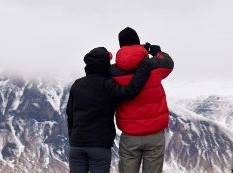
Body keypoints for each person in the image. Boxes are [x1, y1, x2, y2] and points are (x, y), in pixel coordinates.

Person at [65, 47, 160, 173]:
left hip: (77, 145)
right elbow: (129, 91)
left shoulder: (77, 84)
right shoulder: (107, 85)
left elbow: (70, 114)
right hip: (99, 145)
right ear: (104, 64)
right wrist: (144, 67)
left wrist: (73, 137)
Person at [111, 27, 174, 173]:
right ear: (138, 43)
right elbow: (169, 63)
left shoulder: (113, 72)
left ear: (121, 46)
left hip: (130, 135)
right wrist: (157, 52)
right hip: (154, 135)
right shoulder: (154, 65)